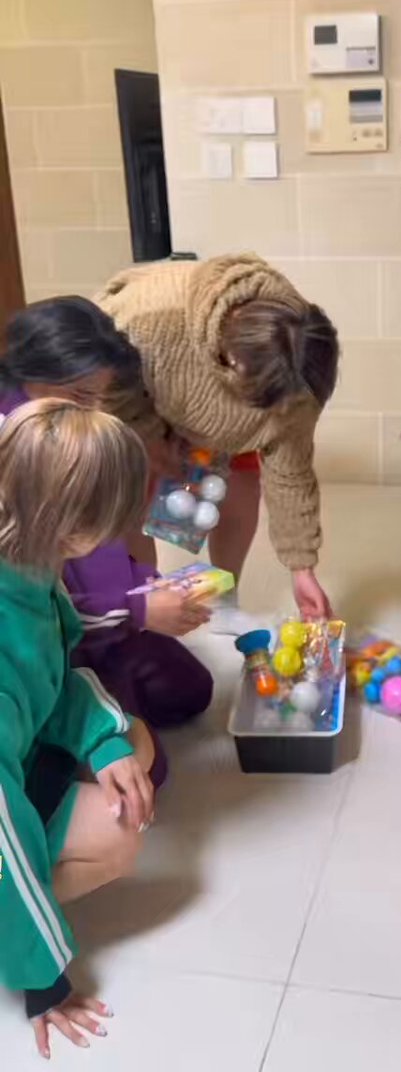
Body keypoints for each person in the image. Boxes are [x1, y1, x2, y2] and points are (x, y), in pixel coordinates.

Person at [0, 297, 214, 785]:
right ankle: (53, 756)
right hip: (42, 649)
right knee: (146, 770)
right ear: (32, 376)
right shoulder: (22, 451)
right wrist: (135, 609)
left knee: (190, 691)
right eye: (80, 396)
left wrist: (143, 591)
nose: (92, 411)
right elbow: (38, 608)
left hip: (94, 622)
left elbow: (97, 543)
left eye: (99, 397)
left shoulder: (67, 429)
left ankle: (110, 688)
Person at [0, 399, 155, 1058]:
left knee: (134, 750)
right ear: (69, 526)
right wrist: (44, 982)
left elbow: (55, 677)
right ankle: (18, 940)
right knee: (117, 830)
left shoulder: (28, 557)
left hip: (19, 750)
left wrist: (105, 738)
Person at [96, 254, 339, 619]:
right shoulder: (146, 319)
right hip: (139, 399)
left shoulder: (299, 355)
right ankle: (145, 604)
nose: (277, 418)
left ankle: (226, 597)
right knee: (130, 497)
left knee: (242, 478)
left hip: (212, 400)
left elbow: (291, 472)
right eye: (267, 405)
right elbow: (108, 387)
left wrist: (301, 569)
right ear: (232, 361)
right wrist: (153, 442)